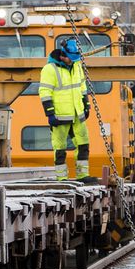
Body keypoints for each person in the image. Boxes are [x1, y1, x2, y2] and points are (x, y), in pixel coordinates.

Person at [39, 39, 97, 184]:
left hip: (78, 114)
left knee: (83, 144)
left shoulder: (77, 65)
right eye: (71, 59)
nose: (73, 61)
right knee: (60, 148)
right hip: (60, 115)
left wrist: (86, 104)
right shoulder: (49, 69)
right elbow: (45, 91)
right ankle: (62, 178)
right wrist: (50, 113)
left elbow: (82, 86)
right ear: (62, 56)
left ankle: (82, 175)